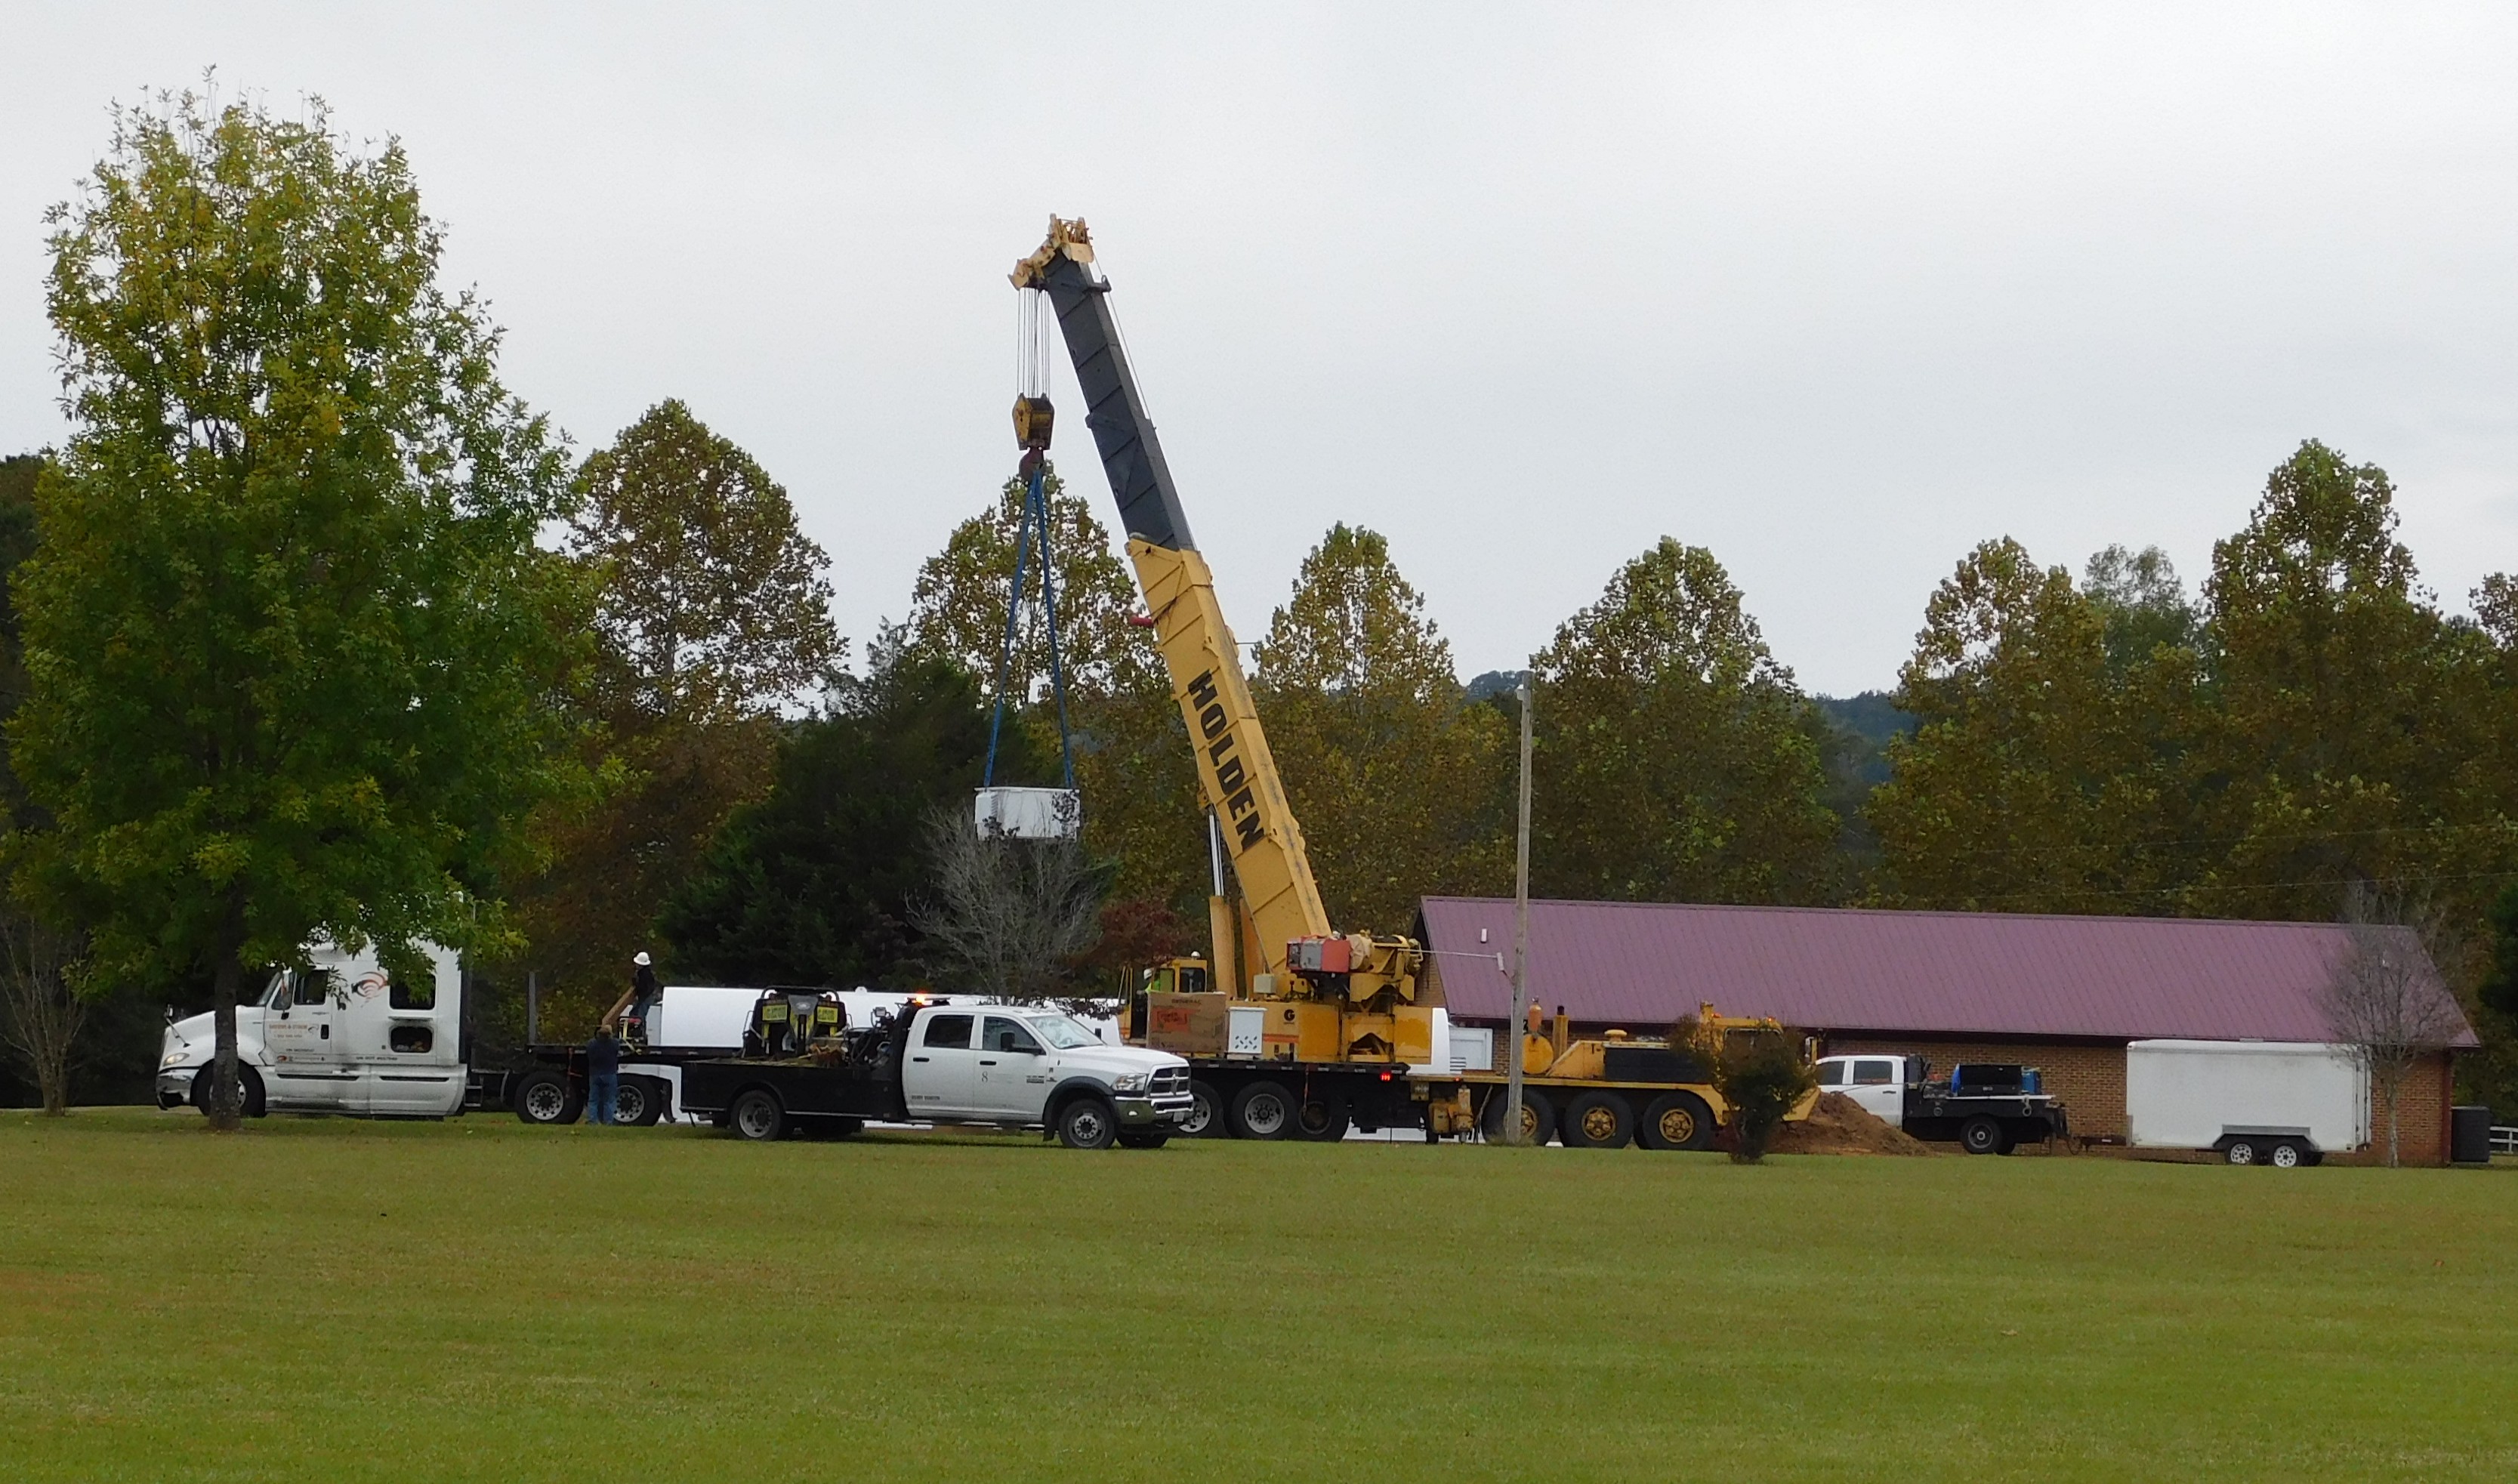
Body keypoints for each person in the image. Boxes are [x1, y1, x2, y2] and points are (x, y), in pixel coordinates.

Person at [585, 1023, 619, 1125]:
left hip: (595, 1074)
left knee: (593, 1100)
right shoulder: (614, 1044)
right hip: (610, 1073)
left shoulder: (592, 1044)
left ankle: (592, 1120)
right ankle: (608, 1121)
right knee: (609, 1100)